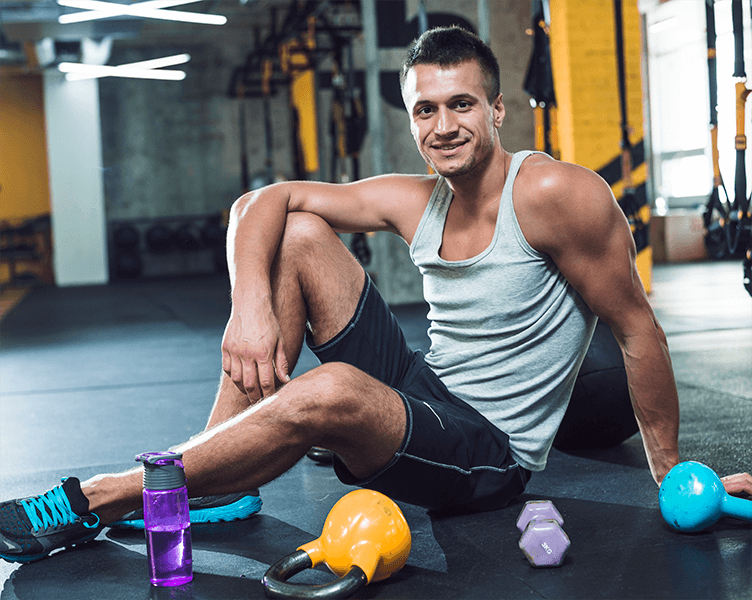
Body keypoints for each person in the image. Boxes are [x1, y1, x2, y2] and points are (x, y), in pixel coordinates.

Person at [2, 26, 750, 564]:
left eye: (462, 104)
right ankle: (218, 485)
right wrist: (249, 307)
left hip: (488, 453)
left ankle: (101, 497)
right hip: (425, 390)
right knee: (296, 234)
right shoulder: (414, 198)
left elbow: (637, 329)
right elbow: (262, 201)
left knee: (330, 389)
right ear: (411, 118)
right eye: (426, 110)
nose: (444, 126)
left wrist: (669, 471)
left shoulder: (557, 194)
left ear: (497, 110)